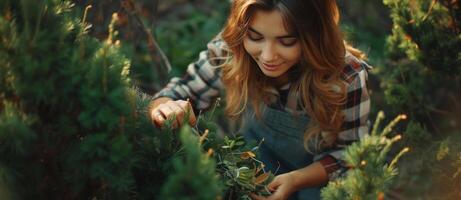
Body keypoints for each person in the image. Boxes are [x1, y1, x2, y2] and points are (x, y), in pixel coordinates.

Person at [149, 0, 371, 199]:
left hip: (321, 183)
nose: (268, 56)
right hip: (255, 169)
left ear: (314, 36)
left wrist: (295, 180)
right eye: (255, 37)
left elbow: (349, 155)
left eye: (286, 42)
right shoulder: (232, 50)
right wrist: (165, 108)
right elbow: (178, 93)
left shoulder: (345, 76)